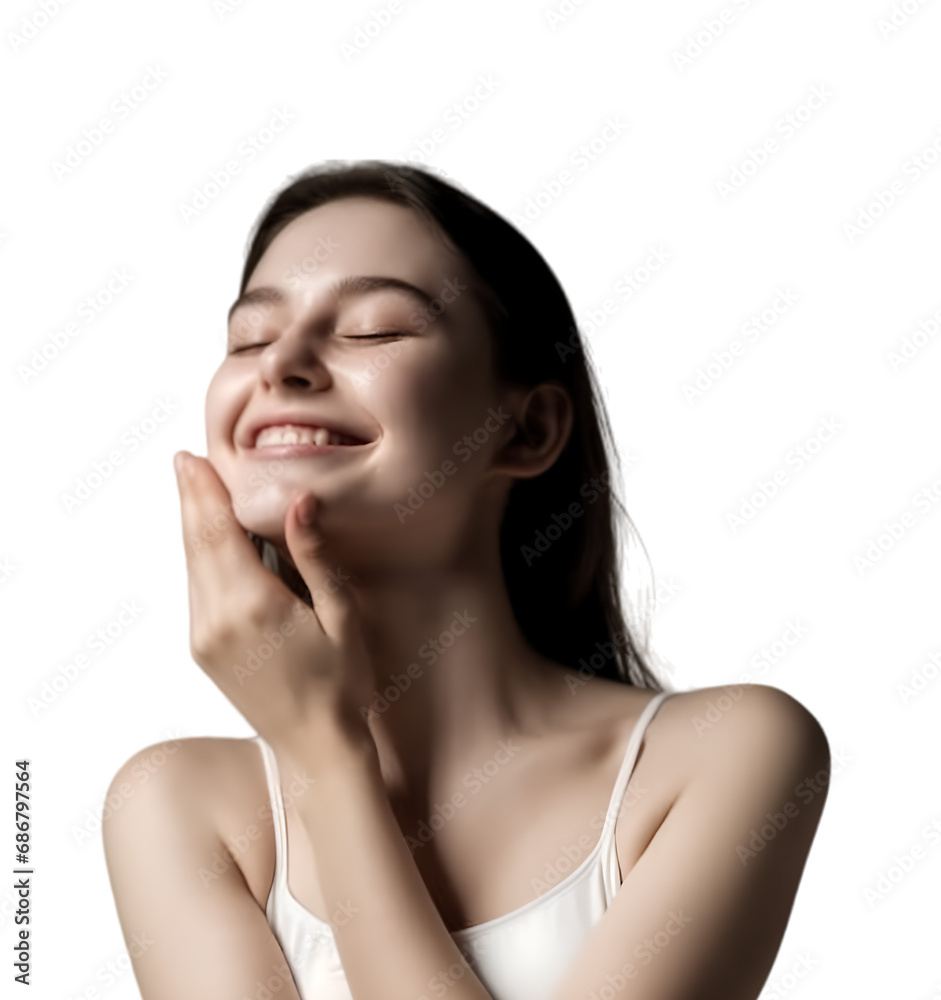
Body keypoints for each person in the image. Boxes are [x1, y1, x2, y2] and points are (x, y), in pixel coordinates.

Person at [102, 159, 831, 1000]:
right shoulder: (178, 808)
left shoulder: (726, 756)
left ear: (526, 430)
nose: (283, 367)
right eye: (250, 340)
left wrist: (327, 758)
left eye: (374, 330)